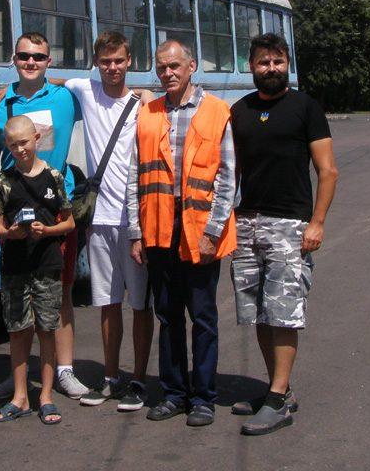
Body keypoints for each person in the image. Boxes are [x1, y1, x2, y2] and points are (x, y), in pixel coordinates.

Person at [229, 32, 338, 435]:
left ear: (286, 63)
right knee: (259, 312)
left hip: (290, 225)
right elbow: (233, 173)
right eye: (263, 62)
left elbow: (327, 171)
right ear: (251, 66)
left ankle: (276, 400)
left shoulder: (305, 108)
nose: (271, 68)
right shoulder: (239, 111)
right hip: (246, 225)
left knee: (284, 313)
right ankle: (279, 389)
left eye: (277, 61)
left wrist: (318, 222)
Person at [129, 40, 237, 426]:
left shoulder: (216, 111)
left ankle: (204, 397)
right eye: (161, 68)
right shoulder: (149, 112)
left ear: (191, 66)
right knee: (168, 315)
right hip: (158, 228)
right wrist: (134, 232)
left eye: (175, 66)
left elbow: (227, 178)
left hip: (200, 230)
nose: (168, 73)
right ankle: (174, 393)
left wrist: (213, 230)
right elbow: (134, 175)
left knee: (203, 315)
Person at [0, 32, 90, 401]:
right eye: (24, 56)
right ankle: (19, 377)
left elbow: (109, 91)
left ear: (48, 61)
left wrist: (148, 94)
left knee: (61, 296)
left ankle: (65, 370)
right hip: (13, 218)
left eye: (38, 57)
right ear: (14, 58)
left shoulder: (65, 98)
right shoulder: (0, 104)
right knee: (17, 301)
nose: (30, 62)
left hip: (55, 211)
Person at [64, 31, 155, 412]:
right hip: (98, 219)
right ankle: (110, 377)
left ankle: (138, 380)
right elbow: (49, 81)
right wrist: (5, 92)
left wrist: (149, 97)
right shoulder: (85, 89)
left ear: (129, 61)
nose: (112, 68)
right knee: (107, 303)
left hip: (134, 220)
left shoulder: (143, 103)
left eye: (118, 61)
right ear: (96, 64)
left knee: (139, 304)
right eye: (105, 62)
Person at [0, 115, 76, 425]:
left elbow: (69, 221)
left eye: (24, 142)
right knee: (18, 330)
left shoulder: (53, 177)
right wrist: (9, 232)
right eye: (12, 145)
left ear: (36, 139)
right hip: (14, 266)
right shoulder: (4, 180)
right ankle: (20, 397)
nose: (19, 149)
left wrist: (48, 230)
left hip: (47, 265)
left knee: (46, 329)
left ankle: (47, 397)